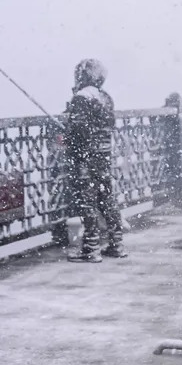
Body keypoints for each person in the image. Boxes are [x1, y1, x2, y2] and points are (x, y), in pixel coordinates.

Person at [64, 58, 127, 262]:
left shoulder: (81, 98)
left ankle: (91, 248)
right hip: (104, 155)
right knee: (107, 199)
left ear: (82, 76)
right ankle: (117, 244)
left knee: (87, 202)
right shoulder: (105, 97)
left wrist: (68, 130)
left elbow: (79, 131)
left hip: (86, 157)